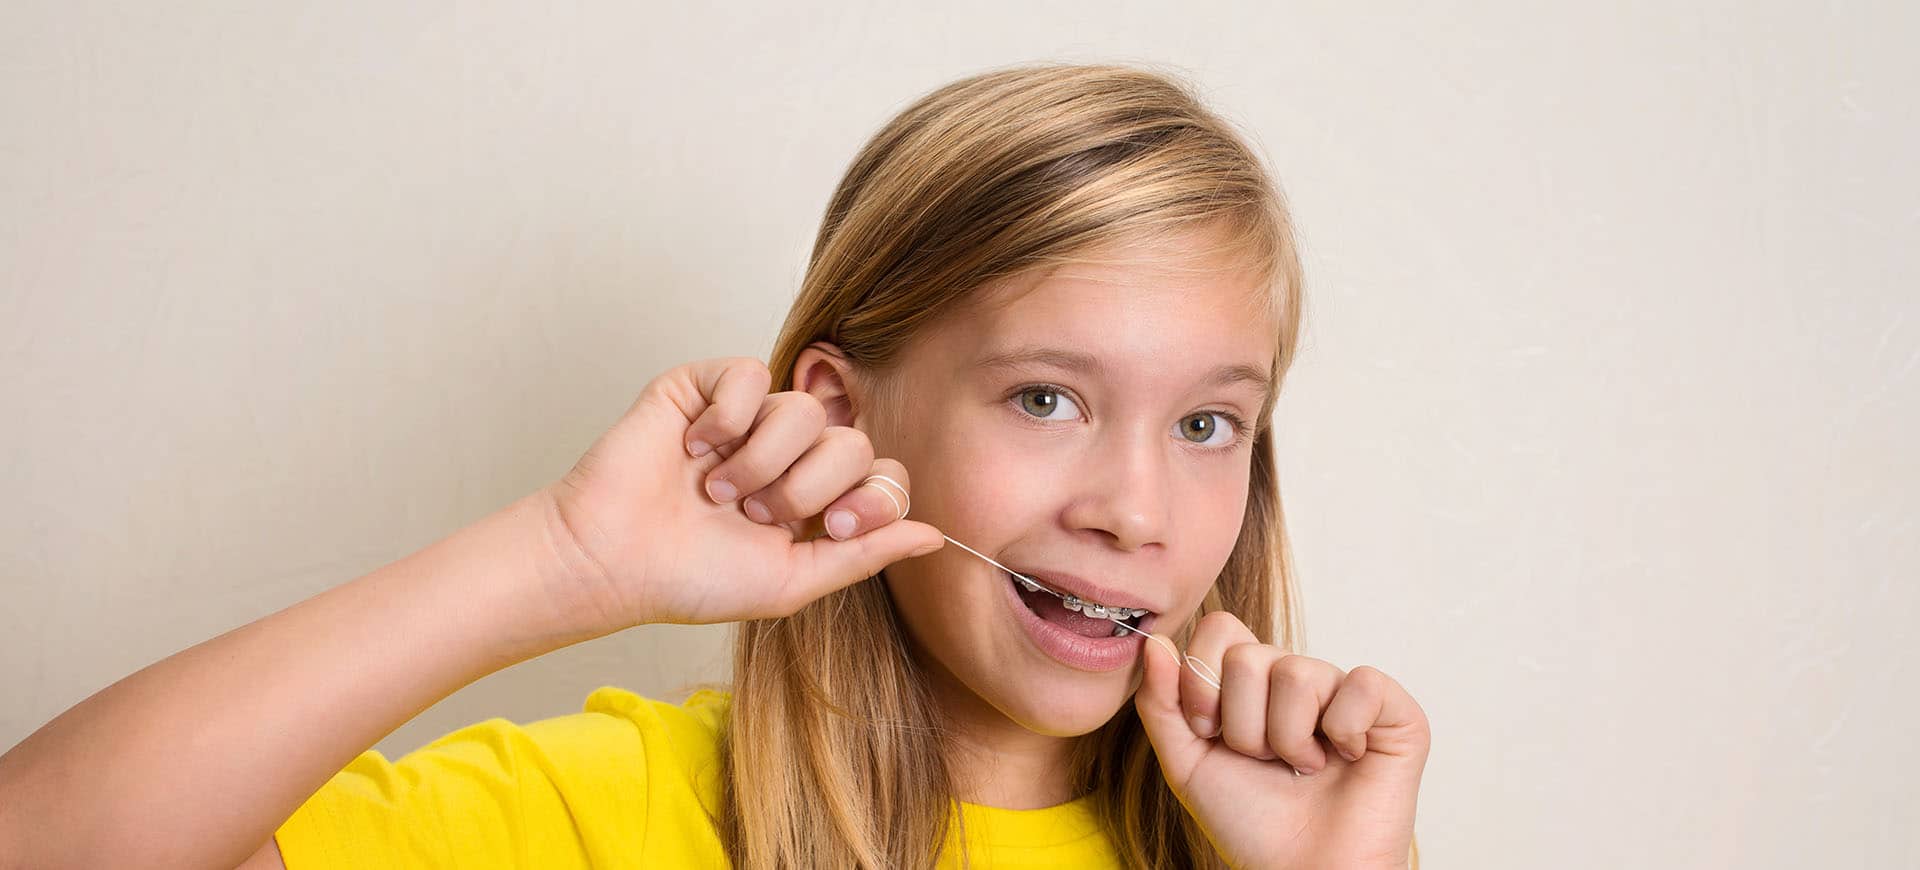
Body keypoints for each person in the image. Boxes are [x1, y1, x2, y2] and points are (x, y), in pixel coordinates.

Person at [0, 63, 1429, 869]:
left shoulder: (1287, 841)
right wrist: (561, 559)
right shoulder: (619, 807)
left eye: (1206, 424)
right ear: (841, 413)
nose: (1134, 510)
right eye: (1047, 397)